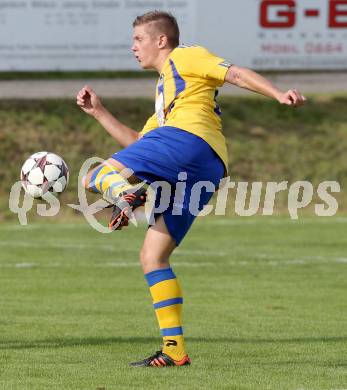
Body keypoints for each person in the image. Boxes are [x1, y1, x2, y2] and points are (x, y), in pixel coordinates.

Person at [76, 10, 306, 368]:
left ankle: (125, 197)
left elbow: (235, 73)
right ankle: (174, 351)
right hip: (205, 166)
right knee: (153, 257)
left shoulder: (186, 55)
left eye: (138, 40)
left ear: (161, 41)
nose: (133, 47)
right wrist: (100, 113)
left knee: (94, 177)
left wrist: (277, 94)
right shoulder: (168, 95)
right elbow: (140, 141)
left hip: (187, 142)